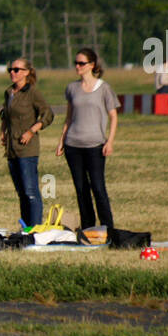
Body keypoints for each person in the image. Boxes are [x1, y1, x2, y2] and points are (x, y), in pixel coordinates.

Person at [56, 47, 118, 231]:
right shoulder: (72, 88)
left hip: (95, 145)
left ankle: (108, 228)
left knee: (98, 188)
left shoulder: (104, 88)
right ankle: (88, 228)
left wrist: (110, 141)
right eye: (76, 63)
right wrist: (62, 140)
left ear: (92, 65)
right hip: (73, 144)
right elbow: (69, 117)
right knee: (81, 189)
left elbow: (113, 116)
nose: (77, 66)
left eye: (81, 63)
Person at [0, 58, 54, 229]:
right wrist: (3, 130)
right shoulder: (9, 92)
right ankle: (26, 228)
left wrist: (32, 130)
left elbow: (47, 114)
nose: (13, 73)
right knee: (21, 193)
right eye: (11, 69)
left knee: (31, 192)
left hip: (27, 150)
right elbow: (5, 114)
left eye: (17, 69)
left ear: (26, 72)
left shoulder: (32, 93)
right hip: (12, 148)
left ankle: (35, 228)